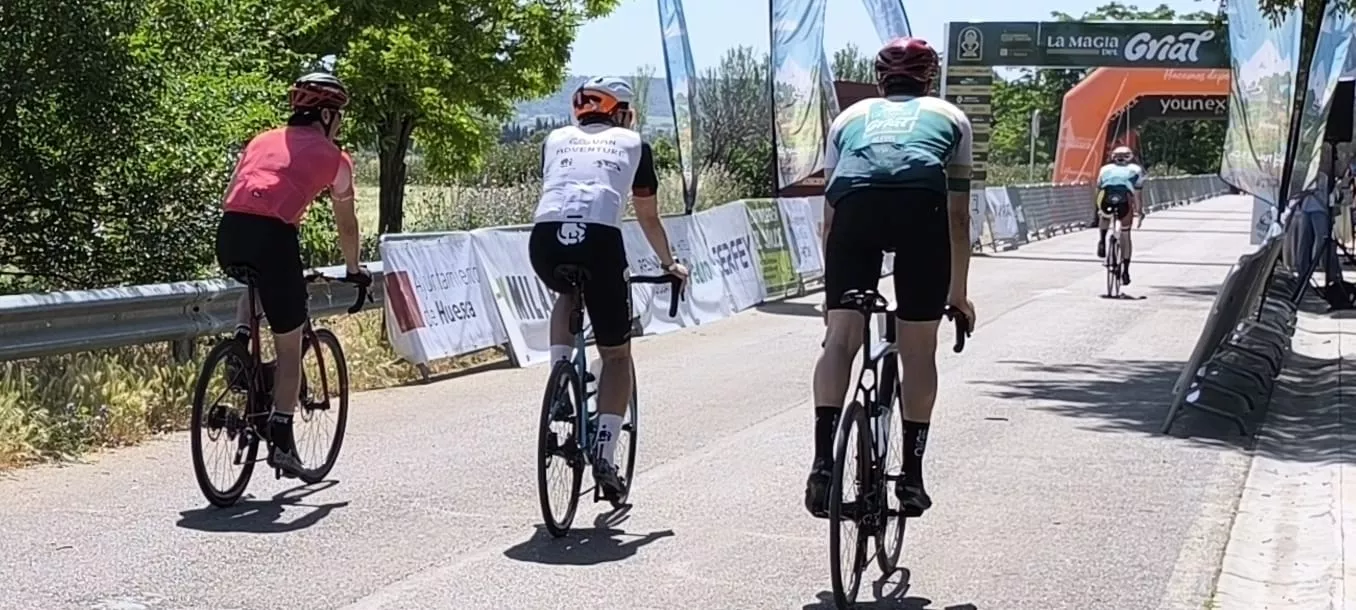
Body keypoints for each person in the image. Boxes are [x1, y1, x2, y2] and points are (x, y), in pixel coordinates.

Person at [805, 37, 976, 520]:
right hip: (920, 215)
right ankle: (913, 477)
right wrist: (958, 296)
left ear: (880, 78)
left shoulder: (847, 118)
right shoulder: (950, 116)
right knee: (918, 349)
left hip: (855, 213)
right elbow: (959, 218)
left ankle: (822, 464)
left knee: (839, 342)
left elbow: (829, 220)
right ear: (930, 77)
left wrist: (831, 298)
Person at [527, 76, 689, 500]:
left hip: (544, 239)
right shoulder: (635, 145)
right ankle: (604, 452)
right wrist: (669, 264)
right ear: (619, 111)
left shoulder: (555, 138)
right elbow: (648, 218)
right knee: (617, 356)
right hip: (599, 241)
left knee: (567, 292)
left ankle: (560, 380)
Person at [216, 72, 370, 477]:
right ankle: (281, 436)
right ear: (324, 115)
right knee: (289, 351)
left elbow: (233, 193)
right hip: (275, 237)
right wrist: (354, 270)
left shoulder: (261, 139)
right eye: (337, 117)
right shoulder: (335, 158)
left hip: (230, 233)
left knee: (255, 281)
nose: (338, 125)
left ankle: (240, 343)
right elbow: (347, 225)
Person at [1095, 146, 1145, 285]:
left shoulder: (1105, 169)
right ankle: (1126, 271)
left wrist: (1097, 208)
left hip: (1106, 198)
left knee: (1104, 215)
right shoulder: (1136, 169)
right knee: (1125, 234)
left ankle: (1102, 240)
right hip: (1124, 200)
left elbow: (1099, 188)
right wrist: (1139, 212)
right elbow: (1137, 194)